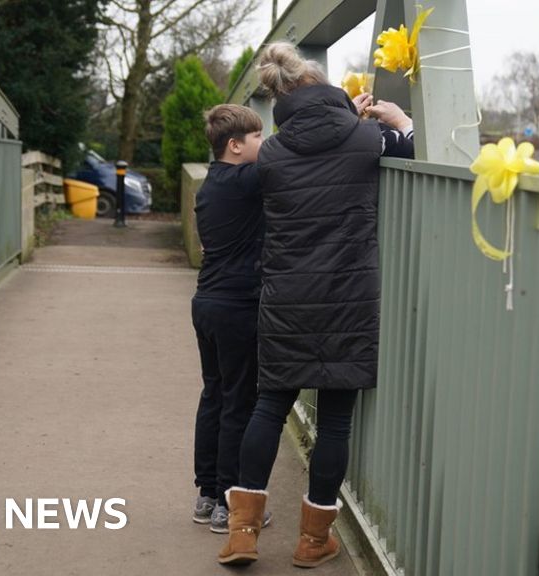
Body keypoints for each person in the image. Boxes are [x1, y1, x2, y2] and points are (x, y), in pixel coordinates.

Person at [217, 42, 414, 568]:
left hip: (287, 297)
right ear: (324, 87)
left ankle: (242, 533)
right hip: (348, 299)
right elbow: (409, 148)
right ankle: (311, 542)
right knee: (334, 424)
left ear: (279, 98)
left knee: (269, 405)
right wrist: (398, 119)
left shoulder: (272, 153)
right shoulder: (366, 137)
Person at [190, 104, 272, 534]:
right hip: (238, 305)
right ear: (235, 145)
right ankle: (229, 499)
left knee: (215, 396)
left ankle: (206, 494)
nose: (266, 142)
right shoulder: (245, 181)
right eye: (258, 137)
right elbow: (293, 154)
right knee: (240, 401)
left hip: (206, 302)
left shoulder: (211, 184)